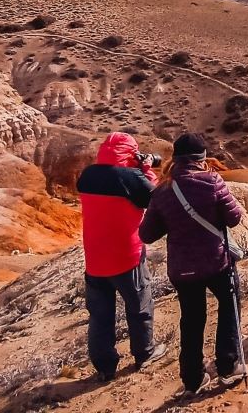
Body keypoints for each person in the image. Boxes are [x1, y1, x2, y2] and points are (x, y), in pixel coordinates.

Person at [140, 133, 246, 395]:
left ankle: (192, 379)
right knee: (229, 305)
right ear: (202, 158)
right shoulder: (212, 181)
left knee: (191, 319)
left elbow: (146, 234)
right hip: (216, 261)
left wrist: (173, 221)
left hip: (182, 268)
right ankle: (228, 365)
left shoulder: (163, 189)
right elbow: (234, 219)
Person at [76, 132, 166, 381]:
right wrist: (146, 169)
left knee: (100, 316)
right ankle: (144, 354)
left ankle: (105, 367)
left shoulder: (87, 175)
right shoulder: (131, 177)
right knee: (139, 307)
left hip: (94, 259)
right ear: (130, 152)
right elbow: (155, 199)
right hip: (127, 256)